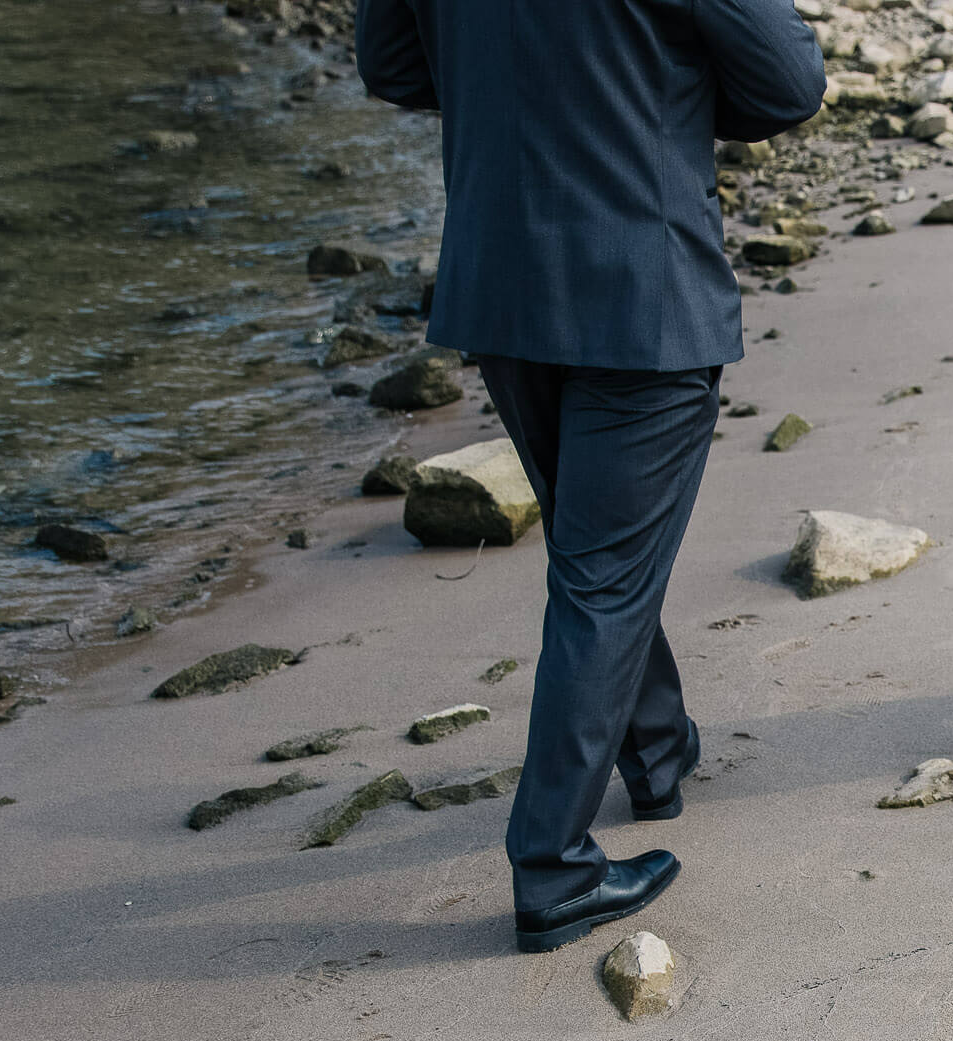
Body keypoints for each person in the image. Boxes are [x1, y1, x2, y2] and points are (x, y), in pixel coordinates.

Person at [355, 0, 828, 953]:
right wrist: (652, 98)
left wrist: (525, 95)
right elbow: (790, 82)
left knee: (597, 551)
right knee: (603, 573)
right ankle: (552, 865)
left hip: (503, 281)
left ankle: (655, 752)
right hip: (639, 287)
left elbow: (395, 70)